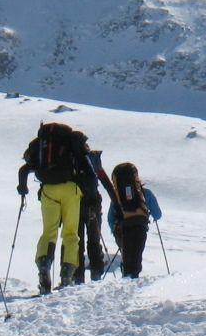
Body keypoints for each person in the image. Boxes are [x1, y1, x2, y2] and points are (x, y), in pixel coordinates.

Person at [17, 122, 102, 293]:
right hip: (71, 190)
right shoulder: (73, 144)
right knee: (70, 233)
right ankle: (67, 275)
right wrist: (92, 198)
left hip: (48, 190)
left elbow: (24, 169)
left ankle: (43, 267)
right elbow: (91, 175)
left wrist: (23, 189)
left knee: (49, 232)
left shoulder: (42, 146)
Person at [107, 162, 162, 279]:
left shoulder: (117, 196)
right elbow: (158, 214)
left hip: (123, 227)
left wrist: (115, 230)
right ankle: (134, 277)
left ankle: (126, 275)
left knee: (127, 255)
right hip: (140, 226)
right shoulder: (145, 193)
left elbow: (110, 218)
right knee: (137, 255)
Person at [78, 149, 119, 282]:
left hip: (75, 205)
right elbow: (107, 184)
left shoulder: (71, 159)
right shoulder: (93, 160)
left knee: (77, 241)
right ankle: (96, 275)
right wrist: (117, 204)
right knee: (94, 240)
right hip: (94, 204)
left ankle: (76, 277)